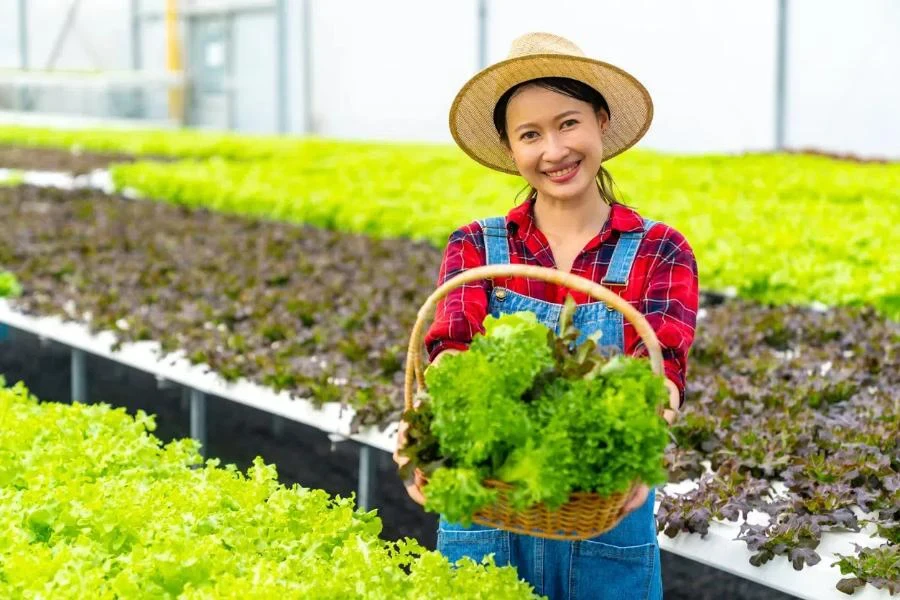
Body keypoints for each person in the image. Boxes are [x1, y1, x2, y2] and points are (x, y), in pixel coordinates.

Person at [394, 32, 699, 599]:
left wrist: (644, 438)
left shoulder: (659, 250)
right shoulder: (476, 248)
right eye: (530, 135)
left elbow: (663, 373)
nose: (554, 150)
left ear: (601, 121)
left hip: (604, 511)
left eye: (568, 123)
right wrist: (427, 433)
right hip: (489, 510)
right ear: (512, 150)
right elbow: (448, 357)